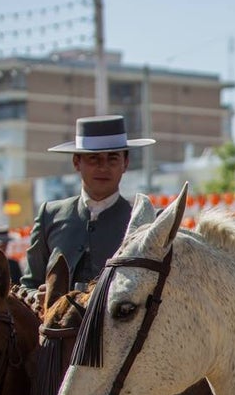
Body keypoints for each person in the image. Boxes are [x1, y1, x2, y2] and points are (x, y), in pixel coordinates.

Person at [22, 115, 151, 291]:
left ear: (125, 163)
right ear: (77, 162)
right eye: (94, 158)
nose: (103, 167)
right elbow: (28, 286)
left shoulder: (143, 220)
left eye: (112, 158)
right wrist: (38, 298)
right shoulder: (50, 216)